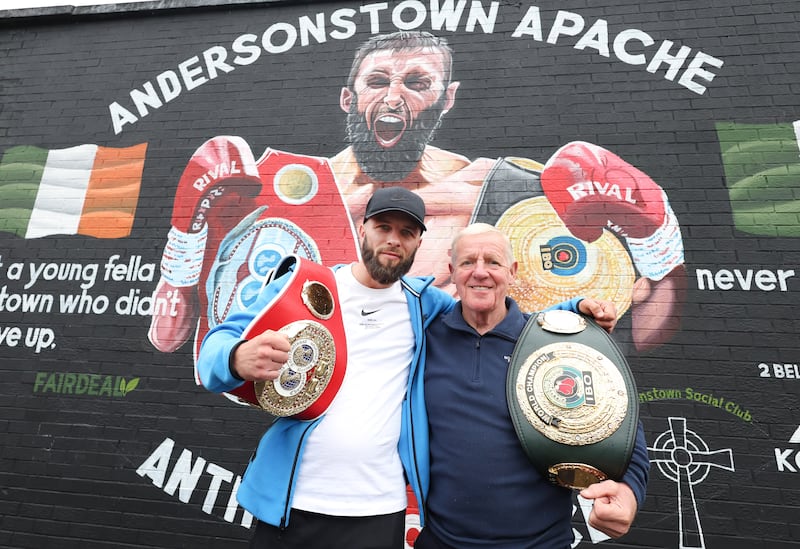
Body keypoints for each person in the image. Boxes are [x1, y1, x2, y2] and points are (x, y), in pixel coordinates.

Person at [149, 31, 685, 364]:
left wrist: (660, 240)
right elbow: (170, 338)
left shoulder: (506, 189)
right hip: (323, 403)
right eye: (377, 80)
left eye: (416, 82)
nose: (393, 96)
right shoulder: (272, 187)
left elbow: (641, 331)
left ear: (445, 99)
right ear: (349, 96)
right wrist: (186, 233)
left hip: (447, 406)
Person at [195, 187, 455, 549]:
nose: (394, 240)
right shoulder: (306, 287)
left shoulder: (426, 304)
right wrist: (235, 357)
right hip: (294, 502)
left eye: (407, 233)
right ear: (362, 229)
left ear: (417, 244)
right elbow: (217, 344)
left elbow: (497, 314)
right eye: (384, 227)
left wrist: (563, 316)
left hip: (379, 509)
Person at [412, 223, 650, 549]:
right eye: (468, 262)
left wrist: (630, 491)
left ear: (512, 272)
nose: (480, 272)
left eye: (493, 262)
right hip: (441, 542)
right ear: (452, 271)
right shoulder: (422, 339)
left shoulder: (555, 344)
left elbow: (621, 428)